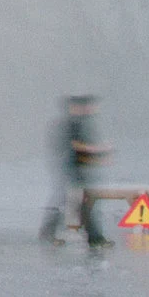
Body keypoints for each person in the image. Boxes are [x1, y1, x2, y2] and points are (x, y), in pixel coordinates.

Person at [40, 96, 109, 245]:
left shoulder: (78, 122)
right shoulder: (72, 123)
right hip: (73, 170)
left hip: (76, 170)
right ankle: (94, 237)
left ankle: (93, 236)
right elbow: (76, 145)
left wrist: (96, 154)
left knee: (75, 202)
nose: (89, 109)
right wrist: (97, 151)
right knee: (77, 202)